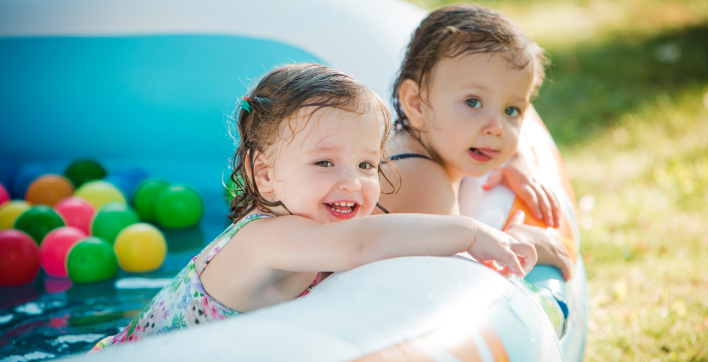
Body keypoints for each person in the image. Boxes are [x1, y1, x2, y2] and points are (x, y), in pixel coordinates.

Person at [91, 63, 536, 351]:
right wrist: (471, 232)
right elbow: (360, 245)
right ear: (264, 174)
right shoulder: (263, 238)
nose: (353, 181)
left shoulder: (315, 223)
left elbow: (392, 231)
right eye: (324, 162)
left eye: (366, 163)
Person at [376, 4, 572, 281]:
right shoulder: (425, 181)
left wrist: (518, 157)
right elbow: (452, 282)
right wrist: (516, 241)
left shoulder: (411, 142)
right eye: (473, 102)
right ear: (416, 104)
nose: (497, 129)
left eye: (511, 110)